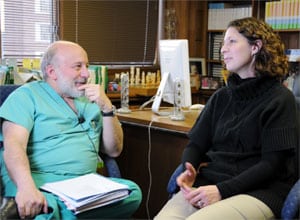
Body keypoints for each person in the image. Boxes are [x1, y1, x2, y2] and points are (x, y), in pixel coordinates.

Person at [155, 17, 299, 220]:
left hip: (259, 192)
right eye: (223, 43)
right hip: (211, 185)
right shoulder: (222, 96)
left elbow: (271, 165)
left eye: (232, 41)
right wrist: (189, 167)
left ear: (256, 47)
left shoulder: (280, 99)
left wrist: (221, 190)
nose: (223, 49)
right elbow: (196, 145)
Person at [0, 40, 142, 219]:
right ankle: (64, 210)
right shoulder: (26, 96)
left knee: (132, 192)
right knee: (41, 208)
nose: (86, 74)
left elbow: (114, 150)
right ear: (52, 72)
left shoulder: (90, 102)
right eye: (77, 67)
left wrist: (107, 107)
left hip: (82, 186)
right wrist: (26, 188)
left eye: (87, 66)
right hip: (38, 180)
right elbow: (14, 146)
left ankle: (62, 211)